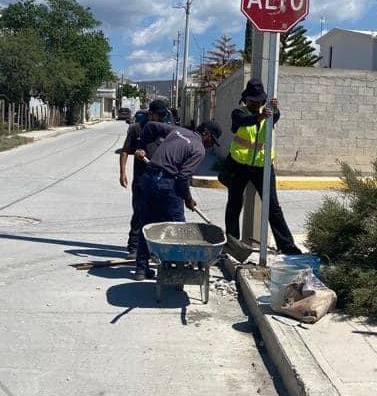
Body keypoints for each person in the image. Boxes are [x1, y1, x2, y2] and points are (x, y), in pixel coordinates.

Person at [132, 118, 222, 280]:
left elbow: (150, 126)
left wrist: (141, 147)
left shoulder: (178, 131)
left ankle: (141, 269)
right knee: (178, 227)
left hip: (148, 178)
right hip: (167, 184)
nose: (211, 145)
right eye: (212, 140)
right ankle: (176, 270)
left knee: (146, 224)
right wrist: (188, 198)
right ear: (206, 134)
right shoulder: (198, 149)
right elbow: (182, 178)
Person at [223, 78, 302, 255]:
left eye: (259, 101)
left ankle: (287, 246)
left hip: (263, 166)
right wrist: (260, 116)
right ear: (246, 99)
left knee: (273, 207)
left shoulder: (268, 113)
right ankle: (233, 243)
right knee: (234, 204)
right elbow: (245, 121)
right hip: (239, 165)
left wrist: (275, 108)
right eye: (252, 100)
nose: (256, 104)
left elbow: (276, 116)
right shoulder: (239, 113)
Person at [119, 102, 169, 259]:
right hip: (141, 179)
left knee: (158, 214)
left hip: (160, 179)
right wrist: (123, 173)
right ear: (150, 113)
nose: (160, 119)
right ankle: (134, 247)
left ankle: (154, 248)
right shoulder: (136, 129)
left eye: (163, 116)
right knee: (139, 212)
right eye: (158, 115)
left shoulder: (165, 130)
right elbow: (125, 150)